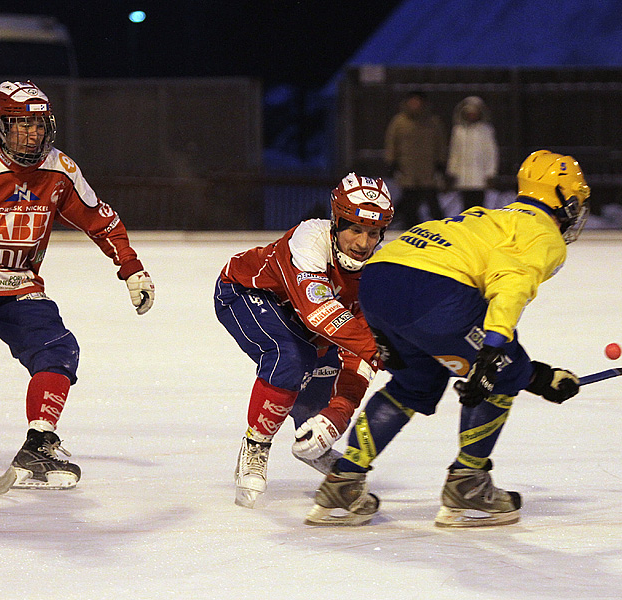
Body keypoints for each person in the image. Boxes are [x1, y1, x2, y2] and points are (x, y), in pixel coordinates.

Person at [304, 150, 590, 528]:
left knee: (414, 385)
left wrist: (522, 370)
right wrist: (503, 358)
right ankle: (467, 484)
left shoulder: (492, 215)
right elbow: (512, 284)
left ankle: (343, 481)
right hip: (434, 293)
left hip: (379, 281)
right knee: (502, 374)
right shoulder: (544, 235)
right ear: (563, 199)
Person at [0, 80, 155, 489]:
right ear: (0, 125)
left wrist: (131, 267)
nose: (32, 134)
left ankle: (38, 445)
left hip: (19, 283)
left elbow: (100, 219)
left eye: (38, 124)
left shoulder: (60, 170)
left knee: (58, 350)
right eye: (21, 124)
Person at [215, 173, 393, 508]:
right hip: (245, 292)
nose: (363, 242)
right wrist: (380, 349)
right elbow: (319, 312)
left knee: (324, 376)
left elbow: (360, 354)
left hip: (303, 318)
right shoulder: (310, 238)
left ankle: (313, 444)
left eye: (373, 233)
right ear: (336, 222)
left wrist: (337, 415)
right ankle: (257, 445)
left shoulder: (377, 273)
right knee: (291, 357)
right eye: (354, 228)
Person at [384, 90, 447, 228]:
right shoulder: (399, 122)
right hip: (408, 170)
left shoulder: (432, 122)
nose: (415, 104)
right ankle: (408, 228)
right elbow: (391, 143)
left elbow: (440, 144)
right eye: (412, 101)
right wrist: (392, 163)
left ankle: (442, 229)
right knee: (409, 203)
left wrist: (440, 164)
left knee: (432, 202)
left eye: (417, 101)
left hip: (427, 170)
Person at [446, 96, 499, 211]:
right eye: (469, 113)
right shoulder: (458, 131)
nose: (472, 115)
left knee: (478, 207)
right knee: (465, 207)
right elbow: (454, 153)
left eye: (474, 113)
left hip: (479, 177)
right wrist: (452, 171)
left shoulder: (486, 130)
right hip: (463, 177)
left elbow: (491, 153)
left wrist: (491, 173)